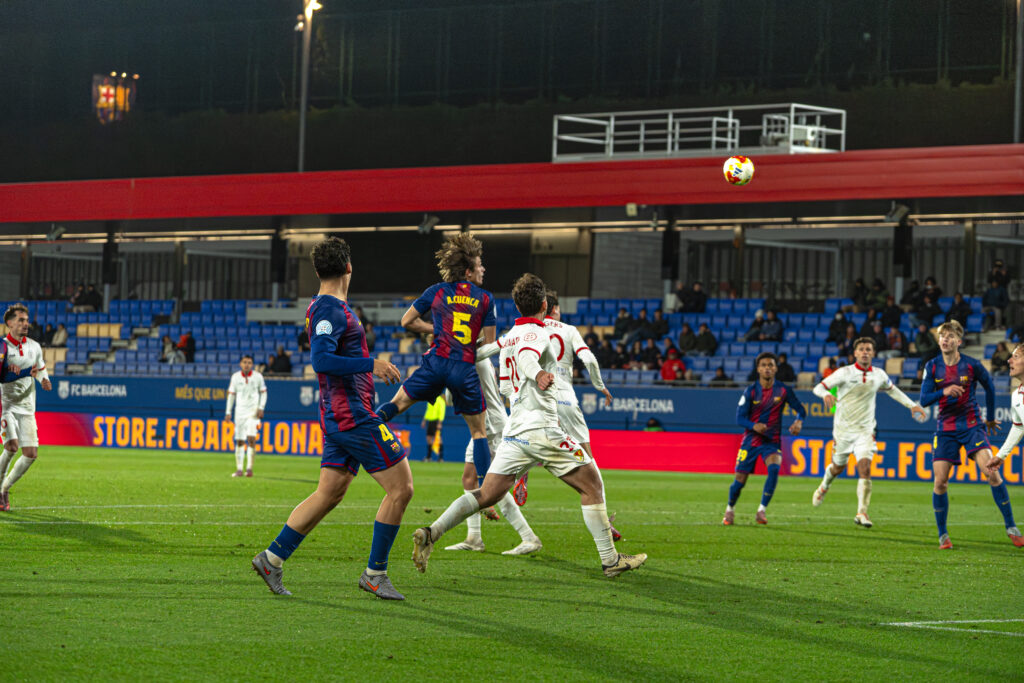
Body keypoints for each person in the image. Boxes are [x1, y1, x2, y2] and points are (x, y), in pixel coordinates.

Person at [411, 273, 645, 578]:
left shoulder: (507, 336)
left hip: (515, 433)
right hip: (544, 430)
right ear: (545, 306)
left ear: (517, 306)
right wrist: (537, 374)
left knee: (487, 493)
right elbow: (527, 357)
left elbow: (483, 354)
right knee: (593, 485)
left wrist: (446, 354)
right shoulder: (538, 334)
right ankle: (610, 560)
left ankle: (432, 532)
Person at [251, 236, 408, 600]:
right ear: (349, 267)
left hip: (340, 415)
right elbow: (320, 361)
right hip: (351, 415)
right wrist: (373, 364)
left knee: (329, 492)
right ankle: (375, 573)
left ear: (317, 270)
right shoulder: (329, 311)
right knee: (401, 489)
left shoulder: (329, 307)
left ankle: (272, 559)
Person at [374, 233, 496, 496]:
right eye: (479, 265)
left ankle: (366, 434)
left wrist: (438, 330)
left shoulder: (437, 291)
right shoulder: (486, 299)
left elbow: (406, 321)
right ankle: (488, 490)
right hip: (463, 368)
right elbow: (488, 345)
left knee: (396, 404)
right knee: (479, 432)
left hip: (435, 363)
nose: (483, 269)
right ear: (468, 271)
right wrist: (466, 342)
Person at [918, 320, 1023, 549]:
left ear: (959, 341)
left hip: (972, 425)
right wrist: (944, 391)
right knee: (940, 482)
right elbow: (924, 400)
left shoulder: (972, 365)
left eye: (950, 336)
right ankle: (943, 534)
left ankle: (1011, 527)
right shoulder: (932, 366)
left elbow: (990, 387)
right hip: (945, 428)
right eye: (942, 336)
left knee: (991, 472)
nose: (945, 339)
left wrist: (991, 417)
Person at [811, 337, 927, 527]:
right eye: (862, 349)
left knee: (864, 468)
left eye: (868, 349)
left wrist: (911, 405)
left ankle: (862, 513)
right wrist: (825, 394)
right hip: (843, 431)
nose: (865, 352)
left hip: (865, 431)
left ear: (873, 353)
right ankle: (824, 486)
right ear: (855, 353)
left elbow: (893, 390)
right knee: (837, 468)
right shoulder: (845, 372)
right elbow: (819, 387)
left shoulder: (879, 374)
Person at [442, 356, 543, 554]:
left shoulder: (468, 358)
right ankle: (474, 538)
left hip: (491, 427)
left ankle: (529, 537)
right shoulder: (480, 355)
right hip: (483, 426)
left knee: (494, 485)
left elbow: (449, 398)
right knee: (469, 479)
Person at [723, 352, 805, 526]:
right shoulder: (751, 391)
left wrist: (798, 421)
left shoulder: (783, 390)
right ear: (758, 369)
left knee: (774, 469)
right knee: (740, 480)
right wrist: (754, 426)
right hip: (751, 441)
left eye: (770, 365)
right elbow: (739, 418)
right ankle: (730, 509)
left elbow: (801, 409)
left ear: (775, 368)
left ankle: (761, 510)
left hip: (771, 441)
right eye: (764, 365)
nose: (767, 368)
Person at [0, 305, 51, 512]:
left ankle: (5, 487)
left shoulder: (35, 347)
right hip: (8, 407)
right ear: (9, 323)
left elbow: (40, 369)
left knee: (30, 454)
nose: (25, 324)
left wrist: (44, 380)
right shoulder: (2, 348)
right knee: (11, 447)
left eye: (26, 320)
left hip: (28, 407)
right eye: (20, 320)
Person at [225, 354, 267, 477]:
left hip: (253, 412)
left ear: (252, 364)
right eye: (244, 362)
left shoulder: (258, 377)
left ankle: (249, 469)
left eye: (249, 362)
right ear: (240, 364)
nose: (246, 364)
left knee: (251, 439)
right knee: (239, 441)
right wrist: (228, 412)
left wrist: (261, 408)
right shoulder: (235, 377)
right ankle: (239, 469)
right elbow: (231, 395)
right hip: (239, 412)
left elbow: (264, 393)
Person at [421, 394, 446, 462]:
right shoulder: (431, 400)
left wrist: (439, 423)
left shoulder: (441, 401)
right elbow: (428, 411)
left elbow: (442, 412)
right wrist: (424, 420)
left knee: (438, 438)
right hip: (430, 421)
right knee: (429, 438)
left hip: (436, 421)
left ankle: (441, 458)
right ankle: (429, 457)